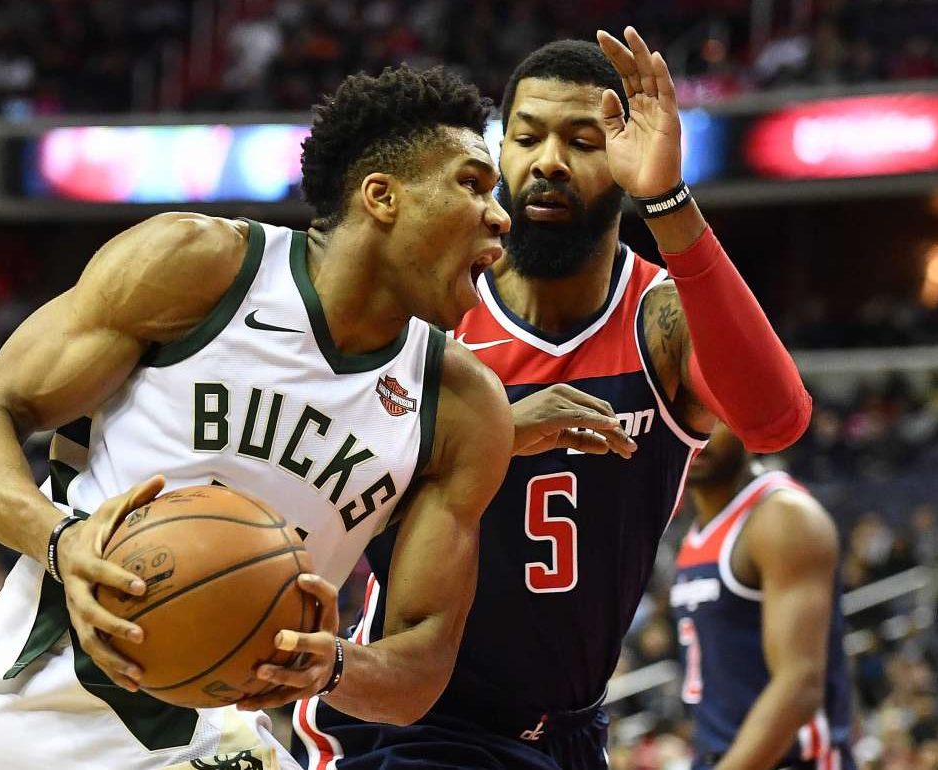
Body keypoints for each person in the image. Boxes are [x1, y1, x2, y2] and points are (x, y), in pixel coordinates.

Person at [0, 65, 546, 770]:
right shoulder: (203, 267)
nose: (500, 216)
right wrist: (61, 541)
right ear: (382, 196)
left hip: (209, 724)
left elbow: (420, 668)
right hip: (34, 709)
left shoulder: (461, 405)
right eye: (473, 184)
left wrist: (334, 666)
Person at [295, 28, 811, 770]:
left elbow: (775, 420)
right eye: (527, 137)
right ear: (498, 153)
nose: (548, 162)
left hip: (569, 730)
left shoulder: (658, 320)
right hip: (415, 720)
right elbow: (329, 477)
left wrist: (667, 200)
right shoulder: (438, 310)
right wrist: (496, 432)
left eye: (583, 141)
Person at [672, 422, 855, 770]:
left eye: (717, 417)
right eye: (690, 413)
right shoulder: (695, 533)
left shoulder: (784, 516)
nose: (701, 431)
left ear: (747, 420)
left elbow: (800, 684)